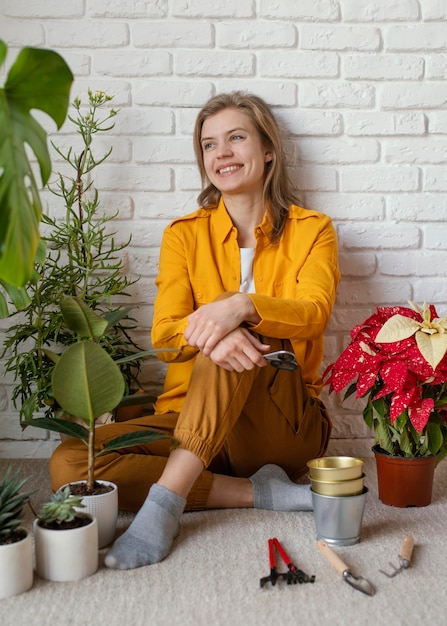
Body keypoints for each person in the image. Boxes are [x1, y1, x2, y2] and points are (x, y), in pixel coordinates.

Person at [49, 91, 340, 570]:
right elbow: (164, 339)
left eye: (236, 138)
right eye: (209, 145)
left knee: (230, 328)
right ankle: (256, 493)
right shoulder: (183, 234)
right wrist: (218, 326)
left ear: (268, 149)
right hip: (194, 422)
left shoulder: (314, 230)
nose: (221, 153)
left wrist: (238, 307)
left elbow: (313, 313)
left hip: (282, 424)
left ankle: (164, 505)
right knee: (70, 464)